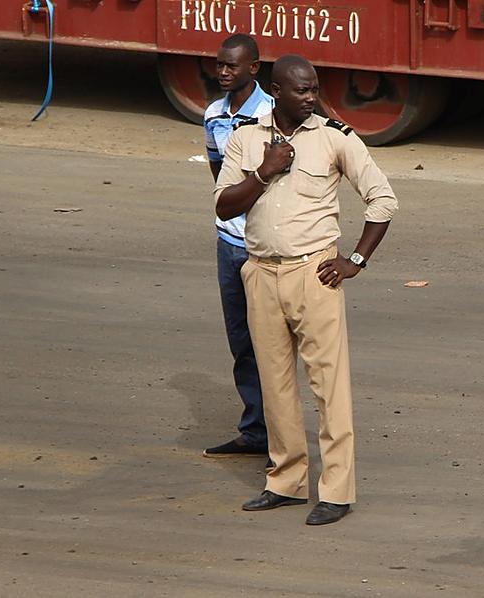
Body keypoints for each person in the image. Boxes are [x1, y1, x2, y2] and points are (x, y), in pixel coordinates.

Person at [214, 55, 398, 525]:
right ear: (277, 91)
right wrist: (264, 171)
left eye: (314, 89)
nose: (311, 97)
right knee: (274, 384)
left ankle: (336, 491)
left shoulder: (336, 137)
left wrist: (355, 259)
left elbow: (383, 198)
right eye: (301, 90)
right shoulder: (245, 137)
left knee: (328, 387)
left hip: (314, 273)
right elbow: (223, 205)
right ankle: (286, 481)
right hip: (260, 273)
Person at [201, 34, 274, 460]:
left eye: (233, 66)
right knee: (241, 340)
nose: (224, 72)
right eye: (220, 65)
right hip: (229, 242)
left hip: (264, 243)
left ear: (254, 68)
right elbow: (217, 171)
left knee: (273, 342)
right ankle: (255, 430)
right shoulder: (213, 114)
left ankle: (281, 436)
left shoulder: (270, 114)